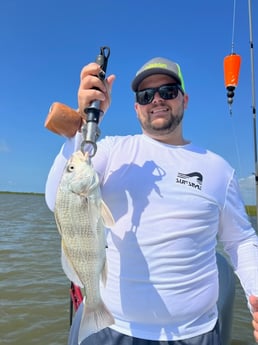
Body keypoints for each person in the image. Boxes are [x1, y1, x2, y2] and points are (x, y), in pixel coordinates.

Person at [45, 57, 258, 345]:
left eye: (168, 91)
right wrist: (84, 123)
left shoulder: (218, 169)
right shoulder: (111, 151)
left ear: (184, 99)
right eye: (146, 95)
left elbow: (241, 241)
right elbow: (57, 199)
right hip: (109, 328)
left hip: (194, 334)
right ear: (136, 108)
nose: (156, 100)